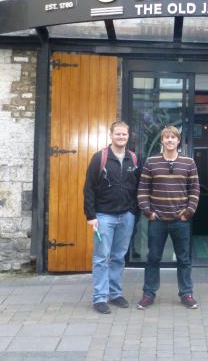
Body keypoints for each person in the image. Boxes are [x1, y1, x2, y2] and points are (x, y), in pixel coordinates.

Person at [136, 125, 201, 310]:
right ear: (162, 140)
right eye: (167, 137)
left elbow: (195, 189)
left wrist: (188, 212)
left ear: (178, 141)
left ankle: (186, 293)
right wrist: (148, 212)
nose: (170, 140)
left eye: (173, 137)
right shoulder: (151, 162)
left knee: (184, 259)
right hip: (157, 220)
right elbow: (142, 190)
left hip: (180, 220)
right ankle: (148, 294)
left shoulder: (189, 163)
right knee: (153, 258)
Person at [84, 120, 140, 314]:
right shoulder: (99, 158)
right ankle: (99, 297)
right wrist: (90, 215)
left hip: (126, 216)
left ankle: (115, 294)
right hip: (103, 217)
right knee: (101, 258)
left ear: (128, 136)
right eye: (118, 134)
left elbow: (138, 188)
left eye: (124, 134)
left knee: (118, 257)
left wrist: (134, 211)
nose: (121, 137)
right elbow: (88, 188)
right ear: (111, 135)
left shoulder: (133, 159)